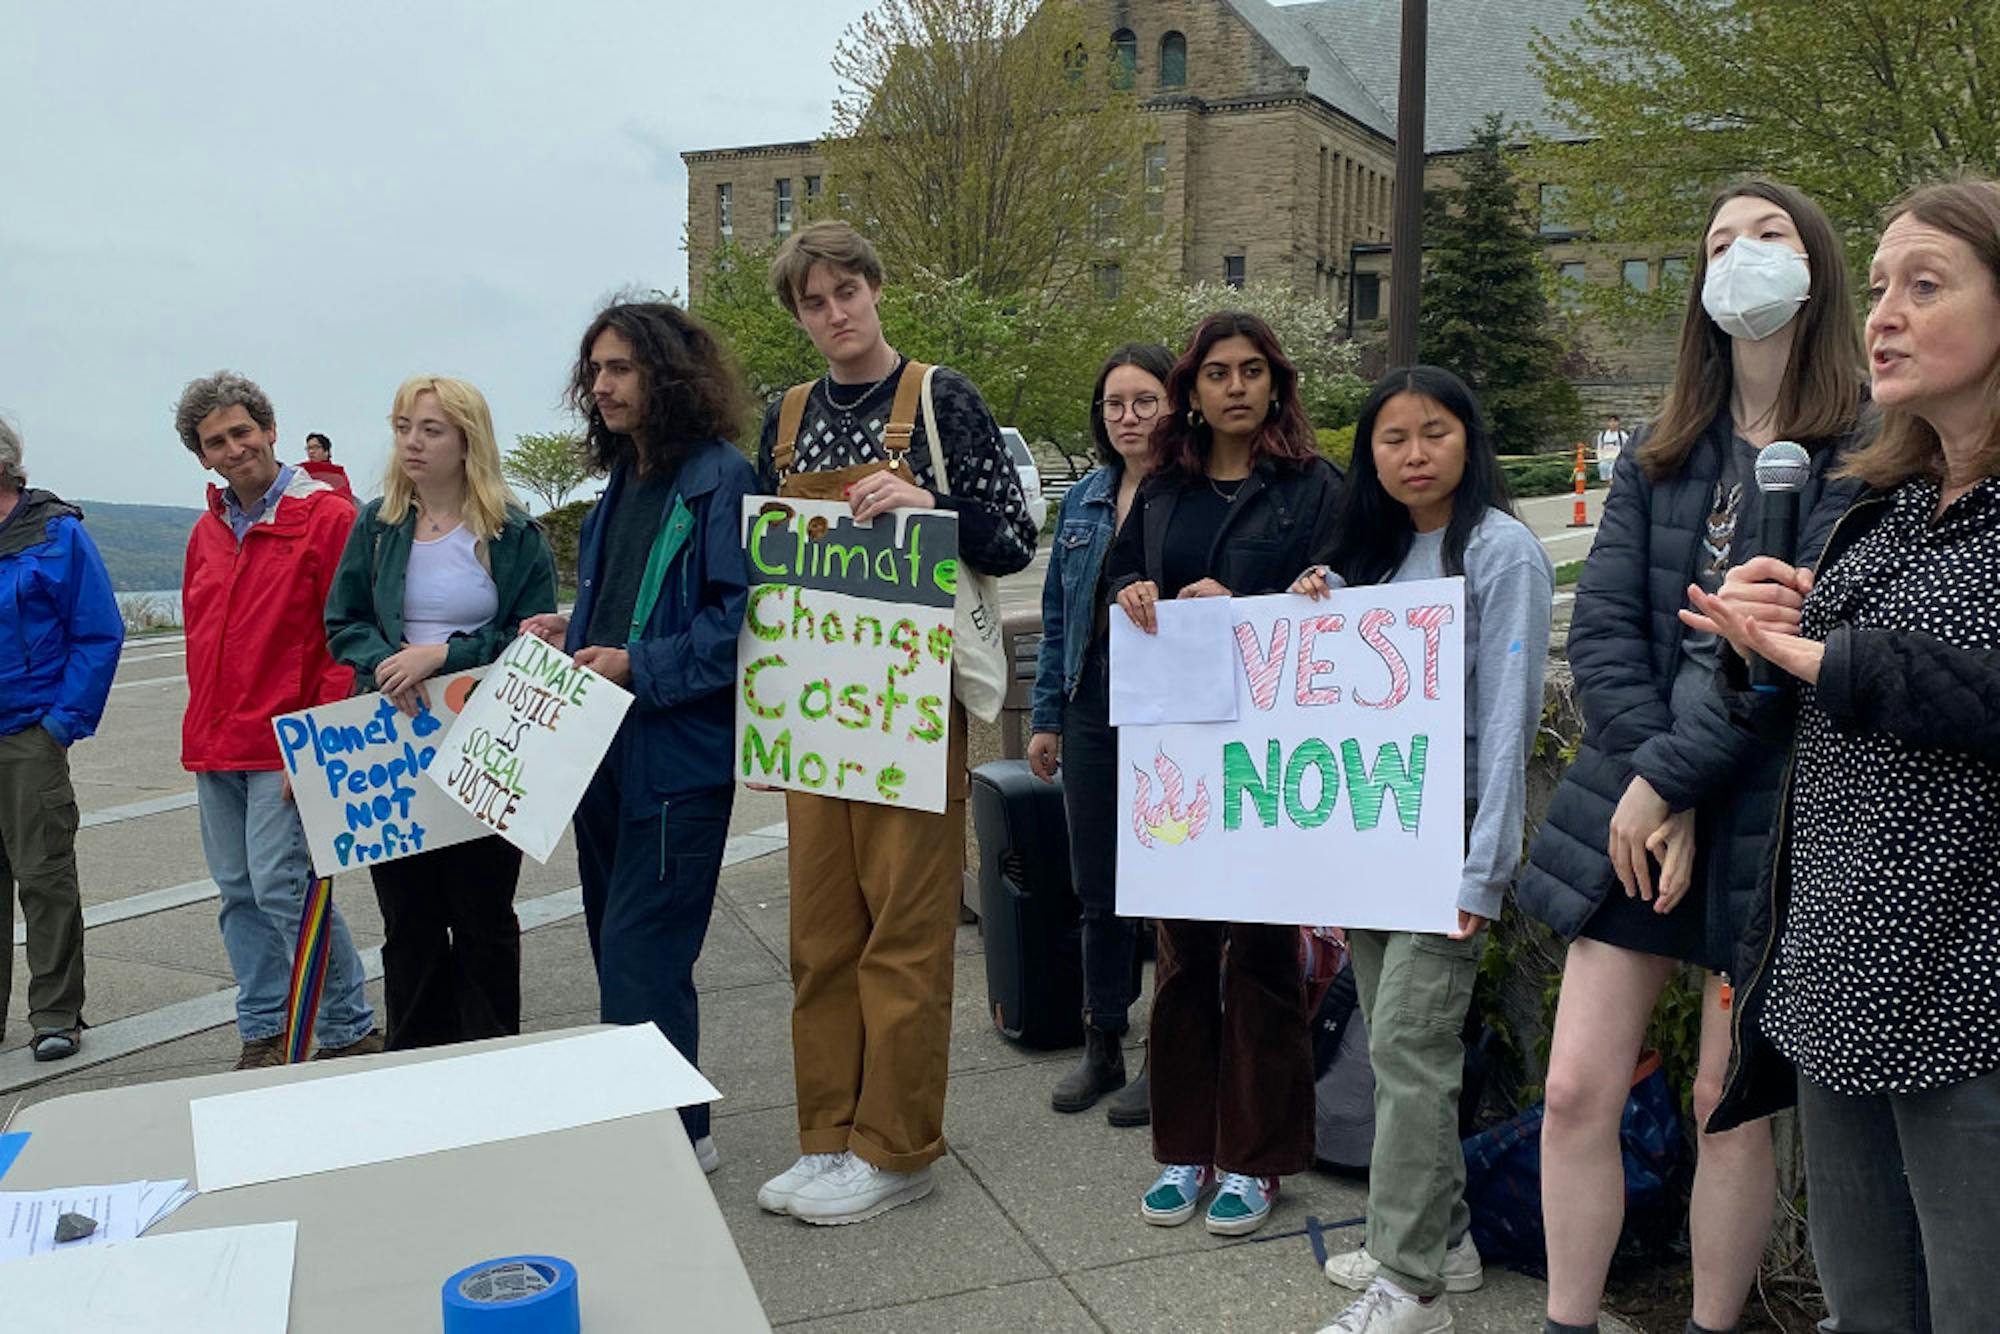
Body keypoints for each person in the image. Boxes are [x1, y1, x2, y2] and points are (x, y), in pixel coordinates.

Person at [1516, 179, 1871, 1334]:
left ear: (1813, 263)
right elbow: (1607, 632)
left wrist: (1671, 777)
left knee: (1727, 1100)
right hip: (1634, 803)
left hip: (1767, 819)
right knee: (1572, 1087)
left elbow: (1780, 665)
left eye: (1765, 235)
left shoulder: (1867, 453)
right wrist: (1648, 783)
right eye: (1718, 241)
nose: (1741, 257)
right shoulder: (1661, 454)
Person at [1694, 176, 2000, 1334]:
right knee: (1866, 1303)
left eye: (1923, 287)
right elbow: (1806, 709)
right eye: (1875, 287)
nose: (1880, 313)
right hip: (1835, 982)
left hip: (1966, 999)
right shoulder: (1882, 504)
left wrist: (1830, 655)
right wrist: (1759, 642)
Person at [751, 221, 1036, 1225]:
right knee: (820, 935)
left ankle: (896, 1146)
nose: (833, 313)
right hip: (818, 715)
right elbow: (768, 578)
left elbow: (1010, 536)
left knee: (904, 936)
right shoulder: (782, 418)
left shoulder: (939, 396)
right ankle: (826, 1135)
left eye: (846, 292)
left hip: (911, 707)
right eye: (812, 301)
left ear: (876, 288)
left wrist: (925, 502)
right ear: (797, 315)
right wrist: (764, 718)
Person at [1301, 368, 1554, 1334]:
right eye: (1392, 438)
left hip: (1448, 840)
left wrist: (1483, 871)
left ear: (1469, 439)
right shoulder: (1366, 556)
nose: (1413, 454)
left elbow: (1509, 720)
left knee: (1410, 1044)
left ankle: (1409, 1287)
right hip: (1373, 831)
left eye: (1434, 433)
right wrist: (1314, 608)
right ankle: (1444, 1235)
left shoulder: (1502, 554)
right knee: (1398, 1046)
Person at [1108, 311, 1342, 1238]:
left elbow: (1344, 592)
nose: (1235, 387)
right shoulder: (1162, 491)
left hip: (1272, 759)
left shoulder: (1313, 488)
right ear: (1193, 391)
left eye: (1252, 371)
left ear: (1274, 384)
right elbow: (1120, 583)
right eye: (1217, 373)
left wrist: (1268, 602)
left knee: (1264, 959)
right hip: (1179, 759)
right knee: (1183, 961)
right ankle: (1185, 1144)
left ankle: (1258, 1157)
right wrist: (1133, 593)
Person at [520, 303, 754, 1175]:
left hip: (675, 754)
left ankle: (679, 1134)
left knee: (643, 947)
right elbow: (624, 600)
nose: (602, 386)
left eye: (619, 368)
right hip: (602, 747)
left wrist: (636, 665)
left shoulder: (720, 477)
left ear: (667, 374)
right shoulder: (624, 478)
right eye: (595, 371)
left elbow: (742, 623)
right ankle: (649, 1110)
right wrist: (568, 622)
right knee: (613, 939)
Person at [324, 376, 556, 1051]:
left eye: (430, 430)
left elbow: (532, 634)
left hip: (486, 739)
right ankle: (416, 1060)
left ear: (466, 440)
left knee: (482, 912)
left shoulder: (512, 533)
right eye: (403, 427)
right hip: (391, 737)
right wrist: (387, 661)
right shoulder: (377, 524)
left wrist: (442, 656)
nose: (412, 443)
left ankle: (491, 1053)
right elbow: (345, 621)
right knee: (409, 918)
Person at [174, 371, 381, 1069]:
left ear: (270, 430)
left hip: (286, 740)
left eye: (242, 432)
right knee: (236, 893)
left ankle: (348, 1026)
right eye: (216, 442)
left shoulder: (327, 518)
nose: (234, 449)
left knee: (283, 887)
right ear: (201, 456)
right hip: (216, 741)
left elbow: (345, 638)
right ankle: (264, 1025)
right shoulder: (207, 531)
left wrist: (318, 740)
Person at [1028, 342, 1173, 1122]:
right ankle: (1103, 1043)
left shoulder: (1194, 491)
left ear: (1173, 405)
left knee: (1171, 887)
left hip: (1173, 716)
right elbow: (1059, 618)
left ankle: (1165, 1052)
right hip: (1092, 705)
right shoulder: (1085, 498)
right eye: (1115, 405)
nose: (1128, 418)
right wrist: (1046, 714)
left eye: (1145, 401)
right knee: (1099, 887)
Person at [0, 415, 122, 1061]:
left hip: (28, 734)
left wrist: (59, 726)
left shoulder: (55, 533)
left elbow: (98, 633)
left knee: (44, 878)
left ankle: (56, 1013)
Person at [301, 432, 353, 500]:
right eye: (309, 448)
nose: (311, 451)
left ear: (326, 451)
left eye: (316, 447)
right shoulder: (301, 471)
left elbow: (345, 498)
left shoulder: (337, 473)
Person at [1593, 415, 1629, 483]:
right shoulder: (1603, 435)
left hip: (1616, 460)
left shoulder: (1622, 435)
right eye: (1611, 421)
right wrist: (1600, 459)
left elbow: (1627, 447)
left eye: (1615, 421)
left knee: (1612, 475)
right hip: (1605, 459)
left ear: (1618, 423)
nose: (1613, 423)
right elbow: (1599, 447)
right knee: (1604, 473)